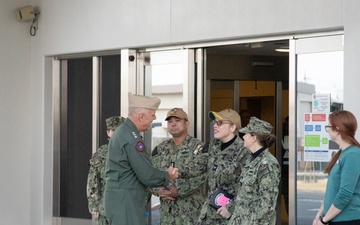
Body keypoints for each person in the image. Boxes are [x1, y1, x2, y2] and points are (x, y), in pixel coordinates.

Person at [104, 92, 180, 225]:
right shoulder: (131, 138)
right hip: (126, 202)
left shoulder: (124, 132)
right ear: (141, 116)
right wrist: (168, 176)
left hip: (123, 200)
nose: (154, 117)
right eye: (152, 115)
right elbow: (146, 174)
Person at [151, 107, 208, 224]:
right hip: (167, 215)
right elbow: (150, 173)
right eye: (170, 121)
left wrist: (179, 191)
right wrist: (158, 191)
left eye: (177, 121)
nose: (173, 124)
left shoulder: (199, 148)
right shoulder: (161, 149)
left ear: (187, 123)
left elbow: (203, 175)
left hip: (190, 215)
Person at [219, 116, 281, 225]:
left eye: (246, 134)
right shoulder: (250, 160)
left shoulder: (268, 164)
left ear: (254, 138)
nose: (243, 137)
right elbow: (245, 195)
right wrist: (230, 208)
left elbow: (267, 206)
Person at [197, 109, 250, 225]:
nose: (215, 126)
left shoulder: (244, 152)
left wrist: (231, 207)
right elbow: (198, 168)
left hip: (230, 217)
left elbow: (251, 188)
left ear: (232, 127)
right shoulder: (213, 147)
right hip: (209, 214)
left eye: (220, 123)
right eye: (214, 123)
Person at [313, 110, 360, 225]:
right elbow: (332, 190)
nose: (328, 130)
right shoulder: (342, 153)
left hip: (347, 220)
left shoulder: (353, 155)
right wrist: (319, 215)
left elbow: (344, 194)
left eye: (329, 126)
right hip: (334, 218)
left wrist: (324, 220)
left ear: (337, 129)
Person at [86, 116, 125, 225]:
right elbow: (93, 179)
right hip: (105, 208)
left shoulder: (132, 151)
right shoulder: (102, 153)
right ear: (108, 133)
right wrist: (93, 204)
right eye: (113, 131)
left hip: (127, 207)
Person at [281, 116, 289, 215]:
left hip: (297, 173)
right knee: (286, 197)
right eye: (287, 125)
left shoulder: (301, 137)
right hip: (284, 174)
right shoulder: (281, 137)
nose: (289, 127)